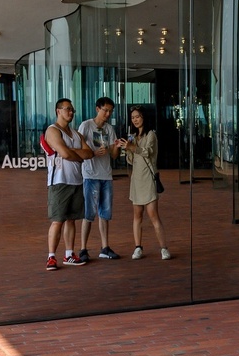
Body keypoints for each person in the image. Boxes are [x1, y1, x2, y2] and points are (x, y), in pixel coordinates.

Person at [45, 98, 94, 270]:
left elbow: (89, 153)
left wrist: (72, 152)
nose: (71, 112)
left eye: (72, 109)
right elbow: (65, 154)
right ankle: (51, 257)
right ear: (58, 111)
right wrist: (75, 154)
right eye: (67, 109)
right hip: (59, 181)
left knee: (72, 220)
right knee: (57, 220)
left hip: (77, 181)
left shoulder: (75, 133)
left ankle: (69, 254)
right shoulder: (52, 131)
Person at [117, 105, 171, 261]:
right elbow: (131, 160)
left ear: (144, 118)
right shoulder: (133, 136)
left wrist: (132, 147)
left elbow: (148, 153)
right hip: (136, 180)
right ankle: (138, 247)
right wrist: (126, 148)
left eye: (138, 116)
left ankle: (163, 248)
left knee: (153, 215)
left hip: (148, 179)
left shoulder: (151, 135)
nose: (135, 120)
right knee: (137, 215)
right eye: (133, 117)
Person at [77, 97, 122, 261]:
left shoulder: (109, 129)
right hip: (90, 174)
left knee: (105, 213)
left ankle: (105, 247)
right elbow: (80, 148)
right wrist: (93, 153)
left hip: (106, 175)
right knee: (89, 213)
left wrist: (116, 147)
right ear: (98, 109)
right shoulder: (86, 125)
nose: (108, 114)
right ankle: (83, 249)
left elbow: (114, 155)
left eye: (110, 111)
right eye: (105, 110)